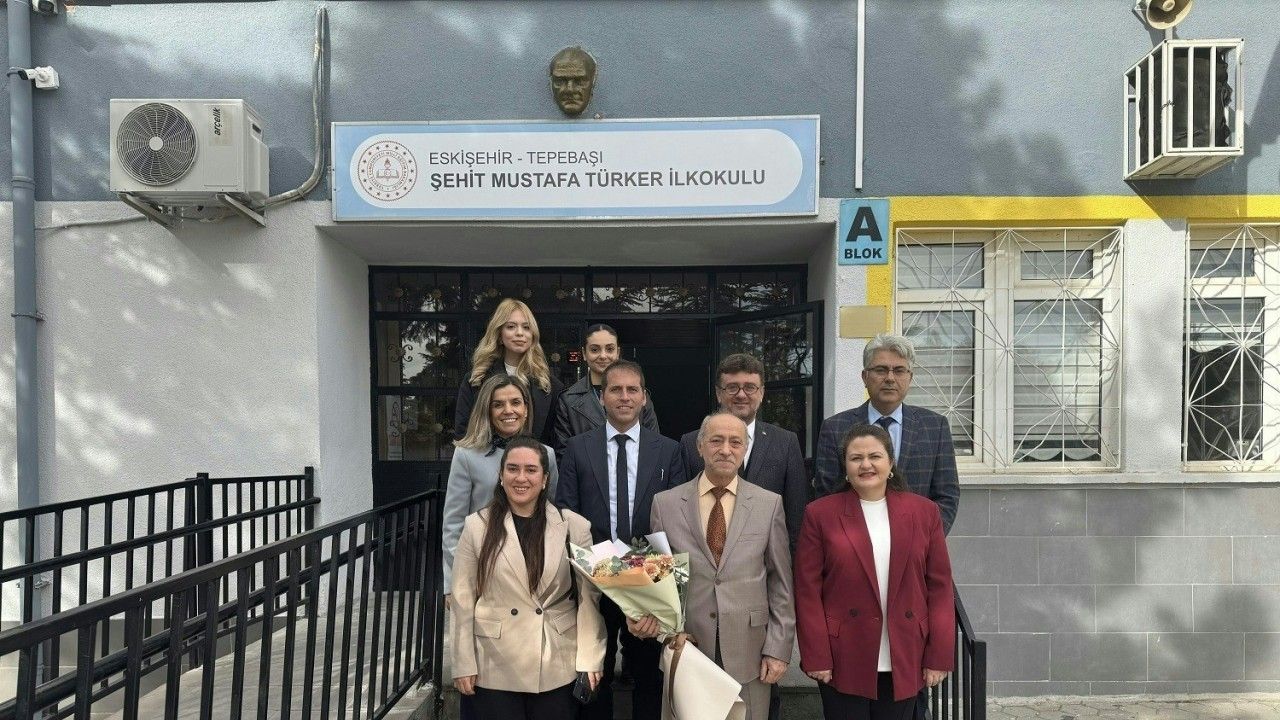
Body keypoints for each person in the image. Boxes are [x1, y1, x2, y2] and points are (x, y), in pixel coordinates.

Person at [632, 412, 795, 720]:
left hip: (750, 651)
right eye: (716, 440)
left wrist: (778, 648)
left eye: (735, 442)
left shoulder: (768, 504)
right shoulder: (665, 504)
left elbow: (780, 584)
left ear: (745, 448)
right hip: (688, 649)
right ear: (700, 446)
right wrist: (664, 631)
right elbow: (657, 581)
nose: (725, 450)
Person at [794, 424, 955, 720]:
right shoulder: (820, 514)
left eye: (874, 456)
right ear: (845, 467)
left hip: (906, 651)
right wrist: (816, 654)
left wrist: (939, 655)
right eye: (856, 458)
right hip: (843, 654)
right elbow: (807, 591)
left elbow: (940, 587)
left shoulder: (925, 512)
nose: (865, 464)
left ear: (890, 462)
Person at [555, 359, 687, 720]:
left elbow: (675, 521)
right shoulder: (578, 448)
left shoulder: (669, 450)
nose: (624, 397)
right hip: (593, 577)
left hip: (648, 580)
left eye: (632, 389)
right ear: (602, 397)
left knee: (648, 675)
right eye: (615, 389)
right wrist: (607, 572)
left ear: (644, 397)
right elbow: (567, 513)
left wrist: (648, 584)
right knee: (594, 671)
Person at [450, 437, 605, 719]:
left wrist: (590, 657)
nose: (521, 478)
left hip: (556, 660)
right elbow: (462, 599)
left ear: (545, 479)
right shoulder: (476, 526)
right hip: (492, 663)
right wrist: (463, 662)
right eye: (512, 469)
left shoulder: (574, 526)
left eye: (531, 470)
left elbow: (588, 599)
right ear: (501, 475)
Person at [814, 334, 959, 534]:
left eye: (899, 370)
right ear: (865, 377)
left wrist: (923, 541)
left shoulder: (935, 427)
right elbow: (827, 496)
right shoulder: (835, 428)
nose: (890, 378)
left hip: (917, 544)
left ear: (910, 377)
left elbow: (947, 496)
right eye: (881, 370)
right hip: (854, 543)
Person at [443, 374, 559, 592]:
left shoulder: (546, 455)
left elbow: (551, 512)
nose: (508, 410)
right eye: (498, 404)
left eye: (515, 402)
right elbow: (453, 524)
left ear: (526, 409)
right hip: (484, 569)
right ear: (487, 410)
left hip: (533, 567)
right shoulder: (466, 455)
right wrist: (453, 584)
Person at [679, 353, 807, 551]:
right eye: (732, 387)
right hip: (706, 559)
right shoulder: (690, 443)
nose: (741, 395)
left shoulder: (786, 442)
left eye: (750, 387)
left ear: (762, 393)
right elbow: (681, 511)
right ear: (718, 393)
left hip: (764, 563)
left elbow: (795, 516)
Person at [454, 298, 563, 447]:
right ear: (499, 335)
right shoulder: (476, 380)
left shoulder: (550, 386)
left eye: (526, 327)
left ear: (533, 335)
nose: (520, 333)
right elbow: (463, 432)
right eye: (511, 327)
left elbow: (557, 440)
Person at [555, 323, 660, 455]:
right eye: (595, 350)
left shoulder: (639, 396)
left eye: (609, 349)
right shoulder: (568, 400)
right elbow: (564, 454)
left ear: (618, 352)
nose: (603, 356)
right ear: (584, 353)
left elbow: (653, 445)